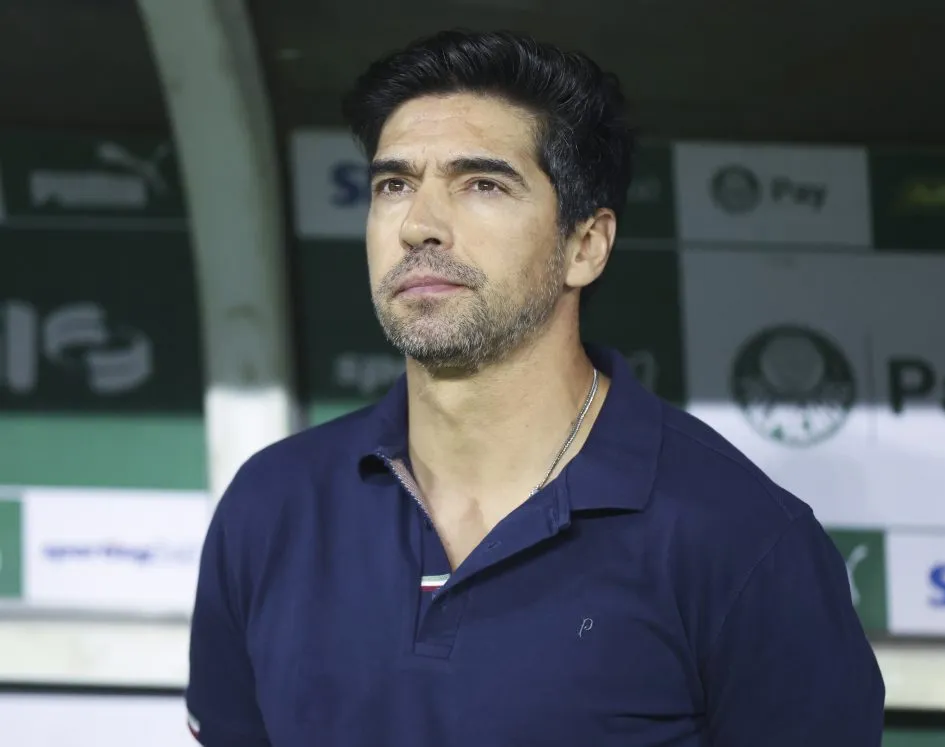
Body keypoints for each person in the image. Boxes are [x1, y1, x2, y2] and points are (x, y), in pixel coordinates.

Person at [185, 28, 885, 747]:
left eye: (482, 184)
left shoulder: (742, 538)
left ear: (586, 245)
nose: (419, 225)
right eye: (394, 184)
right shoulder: (272, 505)